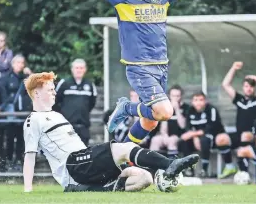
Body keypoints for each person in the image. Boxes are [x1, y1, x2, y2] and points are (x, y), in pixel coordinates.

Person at [70, 0, 230, 144]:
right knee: (165, 111)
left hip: (161, 66)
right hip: (139, 68)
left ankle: (123, 155)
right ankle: (127, 108)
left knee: (150, 122)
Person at [23, 72, 199, 193]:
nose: (54, 92)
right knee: (124, 148)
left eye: (54, 89)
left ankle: (91, 188)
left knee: (144, 178)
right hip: (73, 165)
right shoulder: (33, 120)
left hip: (82, 166)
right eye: (50, 90)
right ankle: (169, 164)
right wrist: (28, 189)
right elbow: (29, 156)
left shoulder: (56, 115)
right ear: (37, 93)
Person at [179, 91, 235, 178]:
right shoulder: (190, 110)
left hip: (214, 137)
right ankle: (189, 169)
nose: (198, 102)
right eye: (196, 100)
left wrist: (194, 134)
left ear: (205, 101)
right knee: (184, 140)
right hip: (198, 138)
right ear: (192, 102)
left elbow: (211, 127)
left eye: (201, 100)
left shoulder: (211, 109)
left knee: (204, 139)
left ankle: (204, 170)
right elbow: (188, 128)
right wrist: (194, 137)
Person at [222, 61, 256, 151]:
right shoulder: (239, 99)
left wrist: (251, 77)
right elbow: (225, 84)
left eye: (251, 86)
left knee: (245, 136)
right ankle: (229, 164)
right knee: (221, 139)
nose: (249, 89)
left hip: (254, 134)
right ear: (243, 87)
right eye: (246, 86)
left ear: (254, 88)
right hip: (239, 133)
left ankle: (244, 163)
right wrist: (233, 68)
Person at [54, 59, 97, 146]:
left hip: (83, 127)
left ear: (85, 70)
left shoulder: (90, 84)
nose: (79, 70)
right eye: (77, 68)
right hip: (67, 127)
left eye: (81, 68)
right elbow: (55, 101)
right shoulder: (64, 83)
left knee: (83, 154)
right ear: (72, 69)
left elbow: (92, 103)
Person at [1, 54, 32, 170]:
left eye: (22, 63)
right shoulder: (6, 77)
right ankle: (8, 160)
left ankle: (19, 160)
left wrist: (30, 74)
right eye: (17, 62)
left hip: (23, 113)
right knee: (9, 137)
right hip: (11, 113)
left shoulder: (26, 77)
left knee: (22, 138)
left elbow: (37, 86)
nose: (19, 65)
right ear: (12, 64)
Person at [149, 85, 189, 159]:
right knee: (155, 140)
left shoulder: (186, 107)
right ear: (169, 96)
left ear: (181, 96)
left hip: (178, 137)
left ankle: (172, 166)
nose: (175, 98)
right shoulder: (164, 107)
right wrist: (164, 135)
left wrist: (177, 109)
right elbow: (161, 124)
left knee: (172, 140)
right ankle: (153, 166)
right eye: (173, 96)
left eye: (177, 96)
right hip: (164, 135)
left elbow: (183, 126)